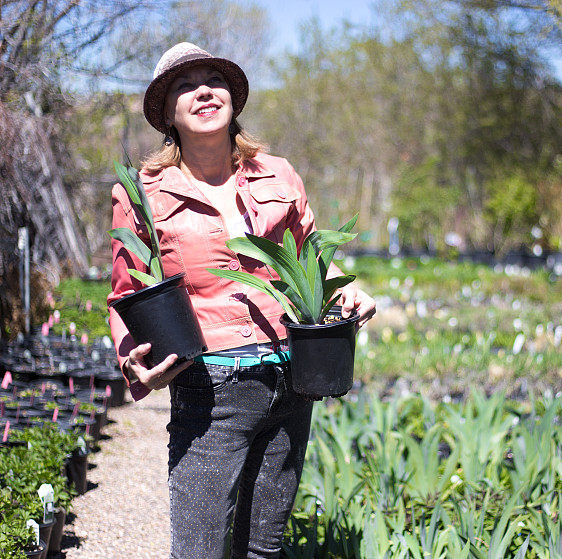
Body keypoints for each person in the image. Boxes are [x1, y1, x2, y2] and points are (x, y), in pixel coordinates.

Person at [107, 42, 376, 558]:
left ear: (234, 98)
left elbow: (313, 257)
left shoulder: (278, 174)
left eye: (215, 79)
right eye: (186, 85)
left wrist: (348, 289)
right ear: (167, 113)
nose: (204, 90)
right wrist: (131, 361)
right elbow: (126, 292)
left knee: (262, 550)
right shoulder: (144, 192)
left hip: (290, 379)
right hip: (211, 391)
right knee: (199, 552)